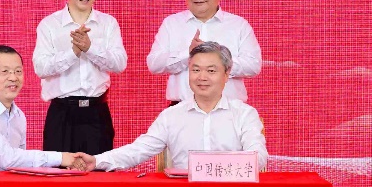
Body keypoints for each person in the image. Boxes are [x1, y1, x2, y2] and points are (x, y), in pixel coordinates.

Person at [94, 42, 267, 171]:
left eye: (211, 71)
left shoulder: (244, 114)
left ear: (227, 74)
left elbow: (258, 158)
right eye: (196, 70)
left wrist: (209, 168)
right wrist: (96, 161)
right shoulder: (171, 116)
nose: (202, 77)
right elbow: (138, 150)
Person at [33, 0, 127, 155]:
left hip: (96, 114)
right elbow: (41, 68)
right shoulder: (49, 25)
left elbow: (119, 64)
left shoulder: (108, 24)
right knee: (57, 171)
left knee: (99, 171)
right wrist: (73, 52)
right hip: (61, 114)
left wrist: (90, 49)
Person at [0, 45, 93, 171]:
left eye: (18, 71)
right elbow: (7, 159)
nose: (13, 78)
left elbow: (19, 162)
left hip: (5, 183)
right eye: (5, 71)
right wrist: (61, 158)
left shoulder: (19, 115)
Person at [147, 0, 261, 104]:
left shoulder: (238, 25)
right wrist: (188, 54)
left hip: (230, 109)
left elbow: (253, 65)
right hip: (181, 109)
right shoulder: (171, 23)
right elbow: (154, 64)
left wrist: (219, 61)